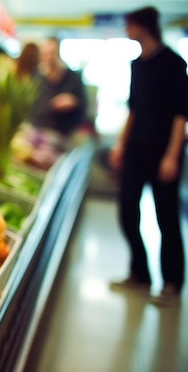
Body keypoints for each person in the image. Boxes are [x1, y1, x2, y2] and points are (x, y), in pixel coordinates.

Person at [108, 6, 188, 306]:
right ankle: (140, 273)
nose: (126, 30)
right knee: (128, 210)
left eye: (130, 25)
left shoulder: (174, 63)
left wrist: (172, 156)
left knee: (166, 216)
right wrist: (120, 144)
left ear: (144, 26)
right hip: (136, 149)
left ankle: (172, 281)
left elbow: (181, 115)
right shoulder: (136, 64)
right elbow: (134, 110)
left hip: (163, 150)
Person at [27, 36, 87, 142]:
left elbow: (84, 108)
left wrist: (73, 102)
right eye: (45, 54)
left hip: (66, 136)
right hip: (40, 136)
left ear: (58, 53)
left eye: (52, 53)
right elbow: (29, 109)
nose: (49, 58)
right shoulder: (35, 78)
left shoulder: (73, 78)